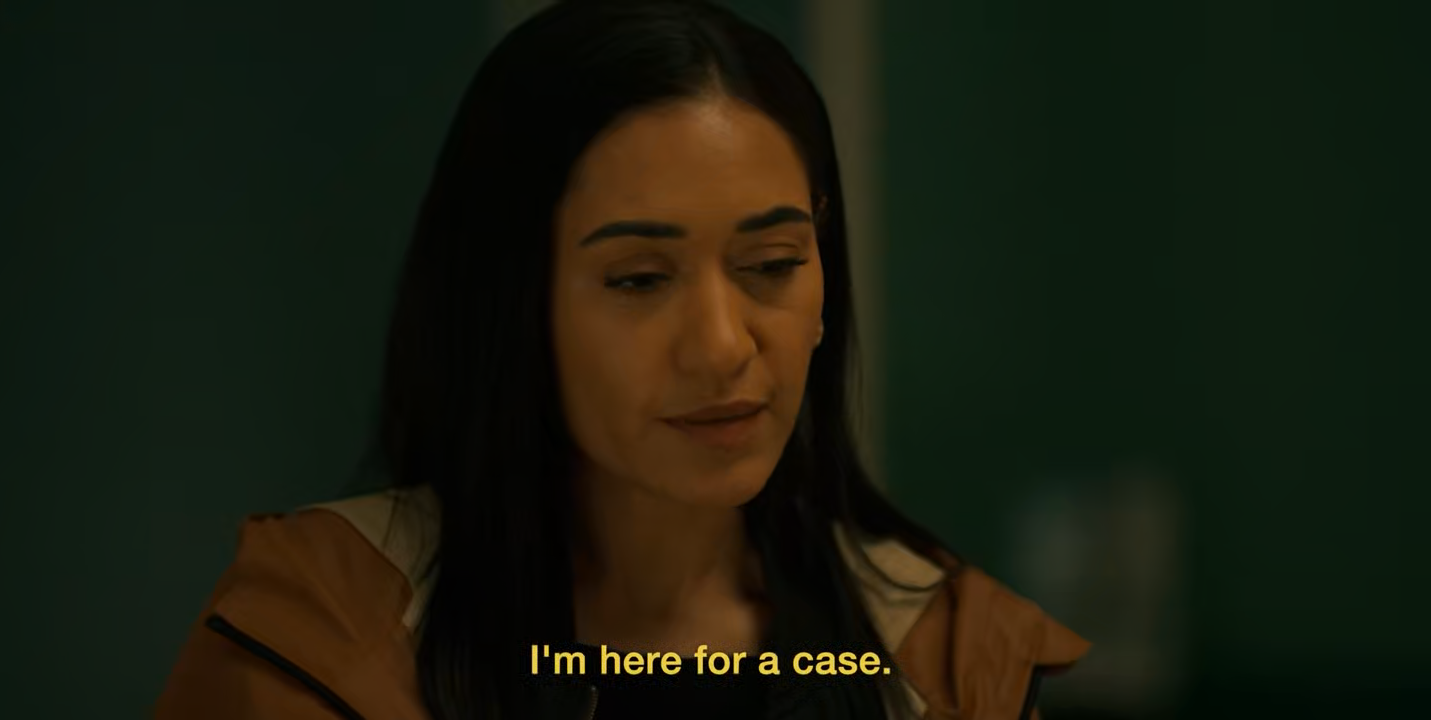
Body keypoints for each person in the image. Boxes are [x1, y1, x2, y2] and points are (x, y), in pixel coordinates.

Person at [154, 1, 1088, 718]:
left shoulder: (944, 652)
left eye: (772, 265)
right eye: (640, 279)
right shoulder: (329, 627)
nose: (722, 346)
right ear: (512, 305)